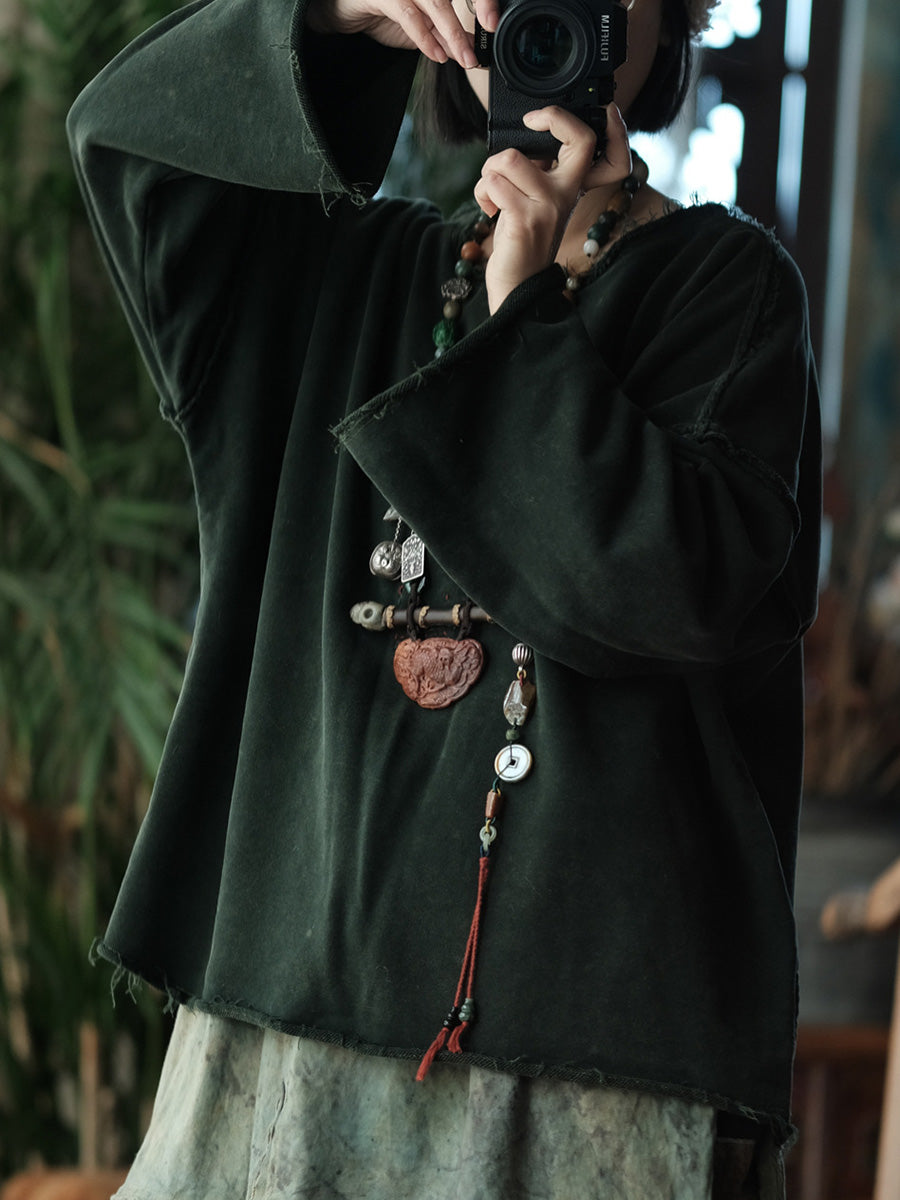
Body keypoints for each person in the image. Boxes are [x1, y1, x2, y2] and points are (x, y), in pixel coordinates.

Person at [66, 0, 821, 1195]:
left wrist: (525, 316)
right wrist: (338, 16)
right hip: (287, 1027)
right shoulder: (341, 277)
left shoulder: (728, 292)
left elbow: (660, 591)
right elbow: (129, 135)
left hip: (588, 1068)